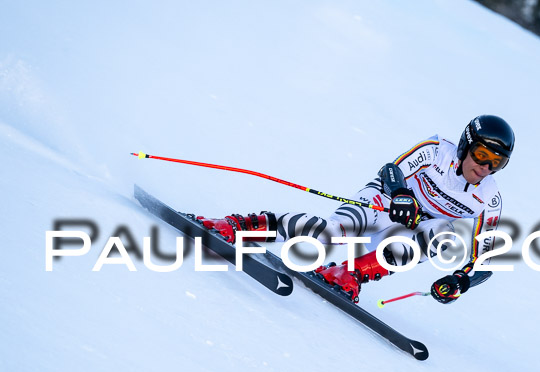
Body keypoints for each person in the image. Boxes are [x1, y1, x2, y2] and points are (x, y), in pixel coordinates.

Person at [197, 115, 514, 304]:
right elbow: (392, 169)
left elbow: (484, 260)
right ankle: (240, 226)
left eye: (496, 162)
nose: (485, 167)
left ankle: (348, 274)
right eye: (482, 154)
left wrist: (461, 281)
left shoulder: (489, 197)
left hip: (412, 232)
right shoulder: (437, 150)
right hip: (387, 203)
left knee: (445, 235)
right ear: (465, 146)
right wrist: (401, 194)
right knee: (330, 235)